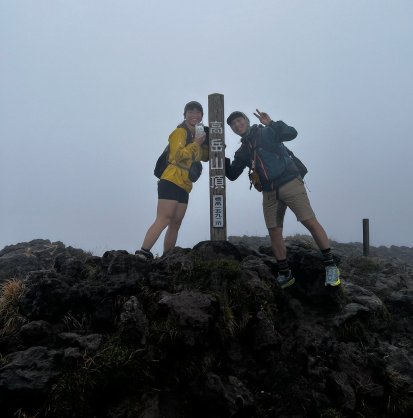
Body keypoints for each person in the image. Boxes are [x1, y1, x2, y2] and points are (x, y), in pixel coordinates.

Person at [225, 109, 340, 289]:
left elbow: (291, 133)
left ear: (246, 120)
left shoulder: (266, 132)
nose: (237, 125)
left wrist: (271, 123)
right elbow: (232, 174)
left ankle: (331, 266)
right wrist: (220, 155)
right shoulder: (243, 151)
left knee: (309, 221)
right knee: (274, 231)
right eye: (233, 124)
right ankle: (285, 274)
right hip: (269, 191)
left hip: (289, 182)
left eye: (239, 121)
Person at [136, 101, 208, 260]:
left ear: (202, 116)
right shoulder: (180, 132)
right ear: (185, 115)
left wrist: (209, 142)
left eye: (198, 112)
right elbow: (177, 155)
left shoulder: (198, 135)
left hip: (185, 185)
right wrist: (196, 143)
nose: (194, 115)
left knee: (175, 223)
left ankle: (167, 258)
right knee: (164, 218)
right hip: (171, 180)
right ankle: (143, 252)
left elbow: (203, 157)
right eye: (190, 111)